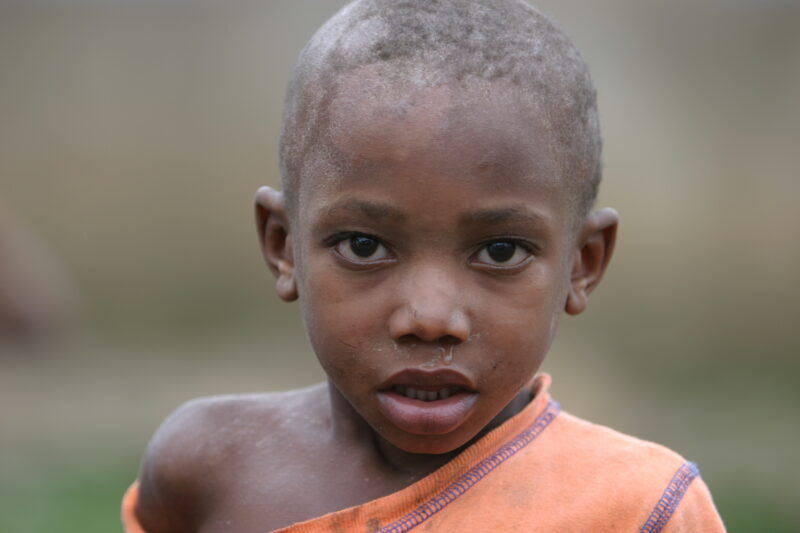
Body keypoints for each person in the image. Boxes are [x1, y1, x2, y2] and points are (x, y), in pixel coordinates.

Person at [122, 1, 726, 531]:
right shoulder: (208, 470)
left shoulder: (637, 510)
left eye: (500, 251)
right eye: (364, 246)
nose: (431, 319)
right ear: (283, 246)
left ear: (582, 263)